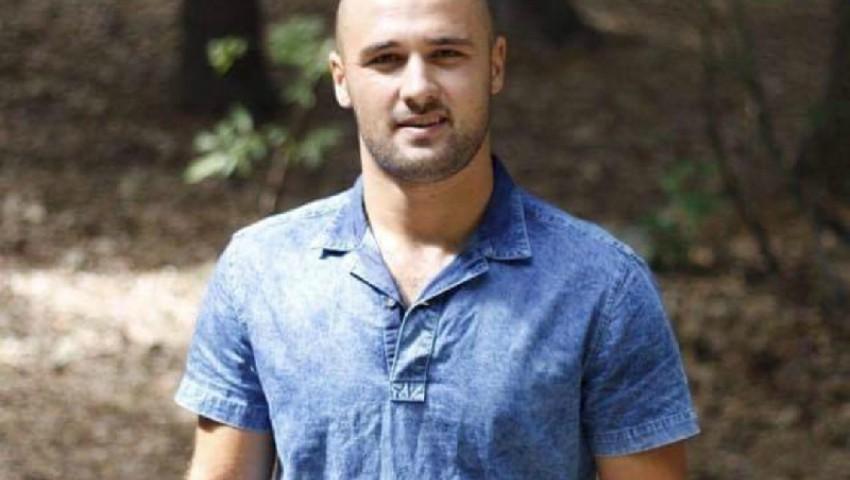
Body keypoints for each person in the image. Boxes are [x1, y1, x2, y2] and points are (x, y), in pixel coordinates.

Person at [174, 0, 700, 478]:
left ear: (495, 65)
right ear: (341, 79)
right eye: (385, 59)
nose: (418, 88)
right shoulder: (260, 271)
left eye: (446, 54)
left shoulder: (602, 287)